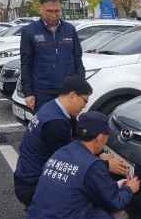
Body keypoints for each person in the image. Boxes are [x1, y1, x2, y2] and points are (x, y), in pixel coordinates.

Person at [24, 111, 141, 219]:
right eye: (107, 135)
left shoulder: (61, 153)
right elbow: (114, 201)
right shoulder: (92, 167)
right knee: (119, 217)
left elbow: (80, 187)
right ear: (100, 136)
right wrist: (130, 189)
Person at [14, 75, 128, 206]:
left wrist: (101, 153)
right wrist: (106, 165)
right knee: (87, 195)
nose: (85, 106)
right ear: (73, 96)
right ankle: (56, 214)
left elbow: (78, 140)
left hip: (27, 176)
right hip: (33, 186)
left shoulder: (53, 107)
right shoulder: (55, 123)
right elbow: (72, 162)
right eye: (84, 101)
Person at [20, 0, 85, 113]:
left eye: (57, 11)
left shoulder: (70, 30)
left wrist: (80, 87)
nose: (54, 15)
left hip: (68, 92)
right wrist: (28, 93)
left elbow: (78, 60)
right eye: (50, 11)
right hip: (43, 92)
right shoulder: (29, 32)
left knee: (67, 128)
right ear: (41, 8)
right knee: (46, 128)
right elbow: (26, 65)